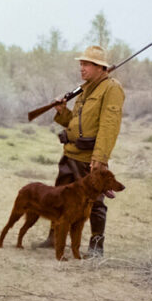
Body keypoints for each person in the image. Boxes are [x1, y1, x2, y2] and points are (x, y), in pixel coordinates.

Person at [39, 45, 125, 256]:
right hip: (70, 154)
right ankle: (54, 238)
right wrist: (62, 112)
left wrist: (100, 158)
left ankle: (96, 247)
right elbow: (76, 124)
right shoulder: (86, 89)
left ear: (100, 67)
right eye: (81, 64)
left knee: (94, 203)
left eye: (86, 64)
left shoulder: (111, 89)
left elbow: (109, 126)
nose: (82, 68)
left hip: (89, 158)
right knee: (58, 197)